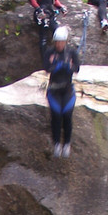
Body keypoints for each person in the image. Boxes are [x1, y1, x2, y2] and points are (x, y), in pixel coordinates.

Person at [44, 25, 82, 158]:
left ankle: (66, 143)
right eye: (57, 42)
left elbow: (77, 68)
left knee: (67, 115)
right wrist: (58, 65)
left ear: (65, 42)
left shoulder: (71, 53)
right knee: (56, 115)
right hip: (54, 89)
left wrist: (68, 66)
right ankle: (56, 143)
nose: (59, 45)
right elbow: (47, 68)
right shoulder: (50, 52)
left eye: (61, 42)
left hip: (67, 89)